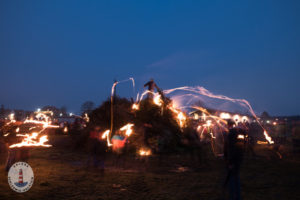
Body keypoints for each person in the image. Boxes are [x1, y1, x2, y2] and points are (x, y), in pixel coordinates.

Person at [224, 120, 243, 200]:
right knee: (236, 177)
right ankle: (237, 196)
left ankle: (234, 197)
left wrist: (230, 161)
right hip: (238, 159)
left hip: (233, 160)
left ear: (228, 125)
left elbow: (231, 149)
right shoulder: (238, 133)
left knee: (232, 178)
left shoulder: (231, 134)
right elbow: (240, 147)